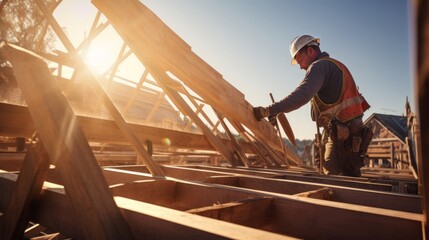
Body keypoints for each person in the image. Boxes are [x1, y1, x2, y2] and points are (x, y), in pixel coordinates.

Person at [253, 35, 372, 177]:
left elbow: (302, 95)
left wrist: (269, 110)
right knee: (343, 175)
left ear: (310, 51)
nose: (301, 67)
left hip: (344, 133)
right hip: (343, 130)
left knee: (336, 179)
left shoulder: (319, 66)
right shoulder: (331, 66)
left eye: (300, 61)